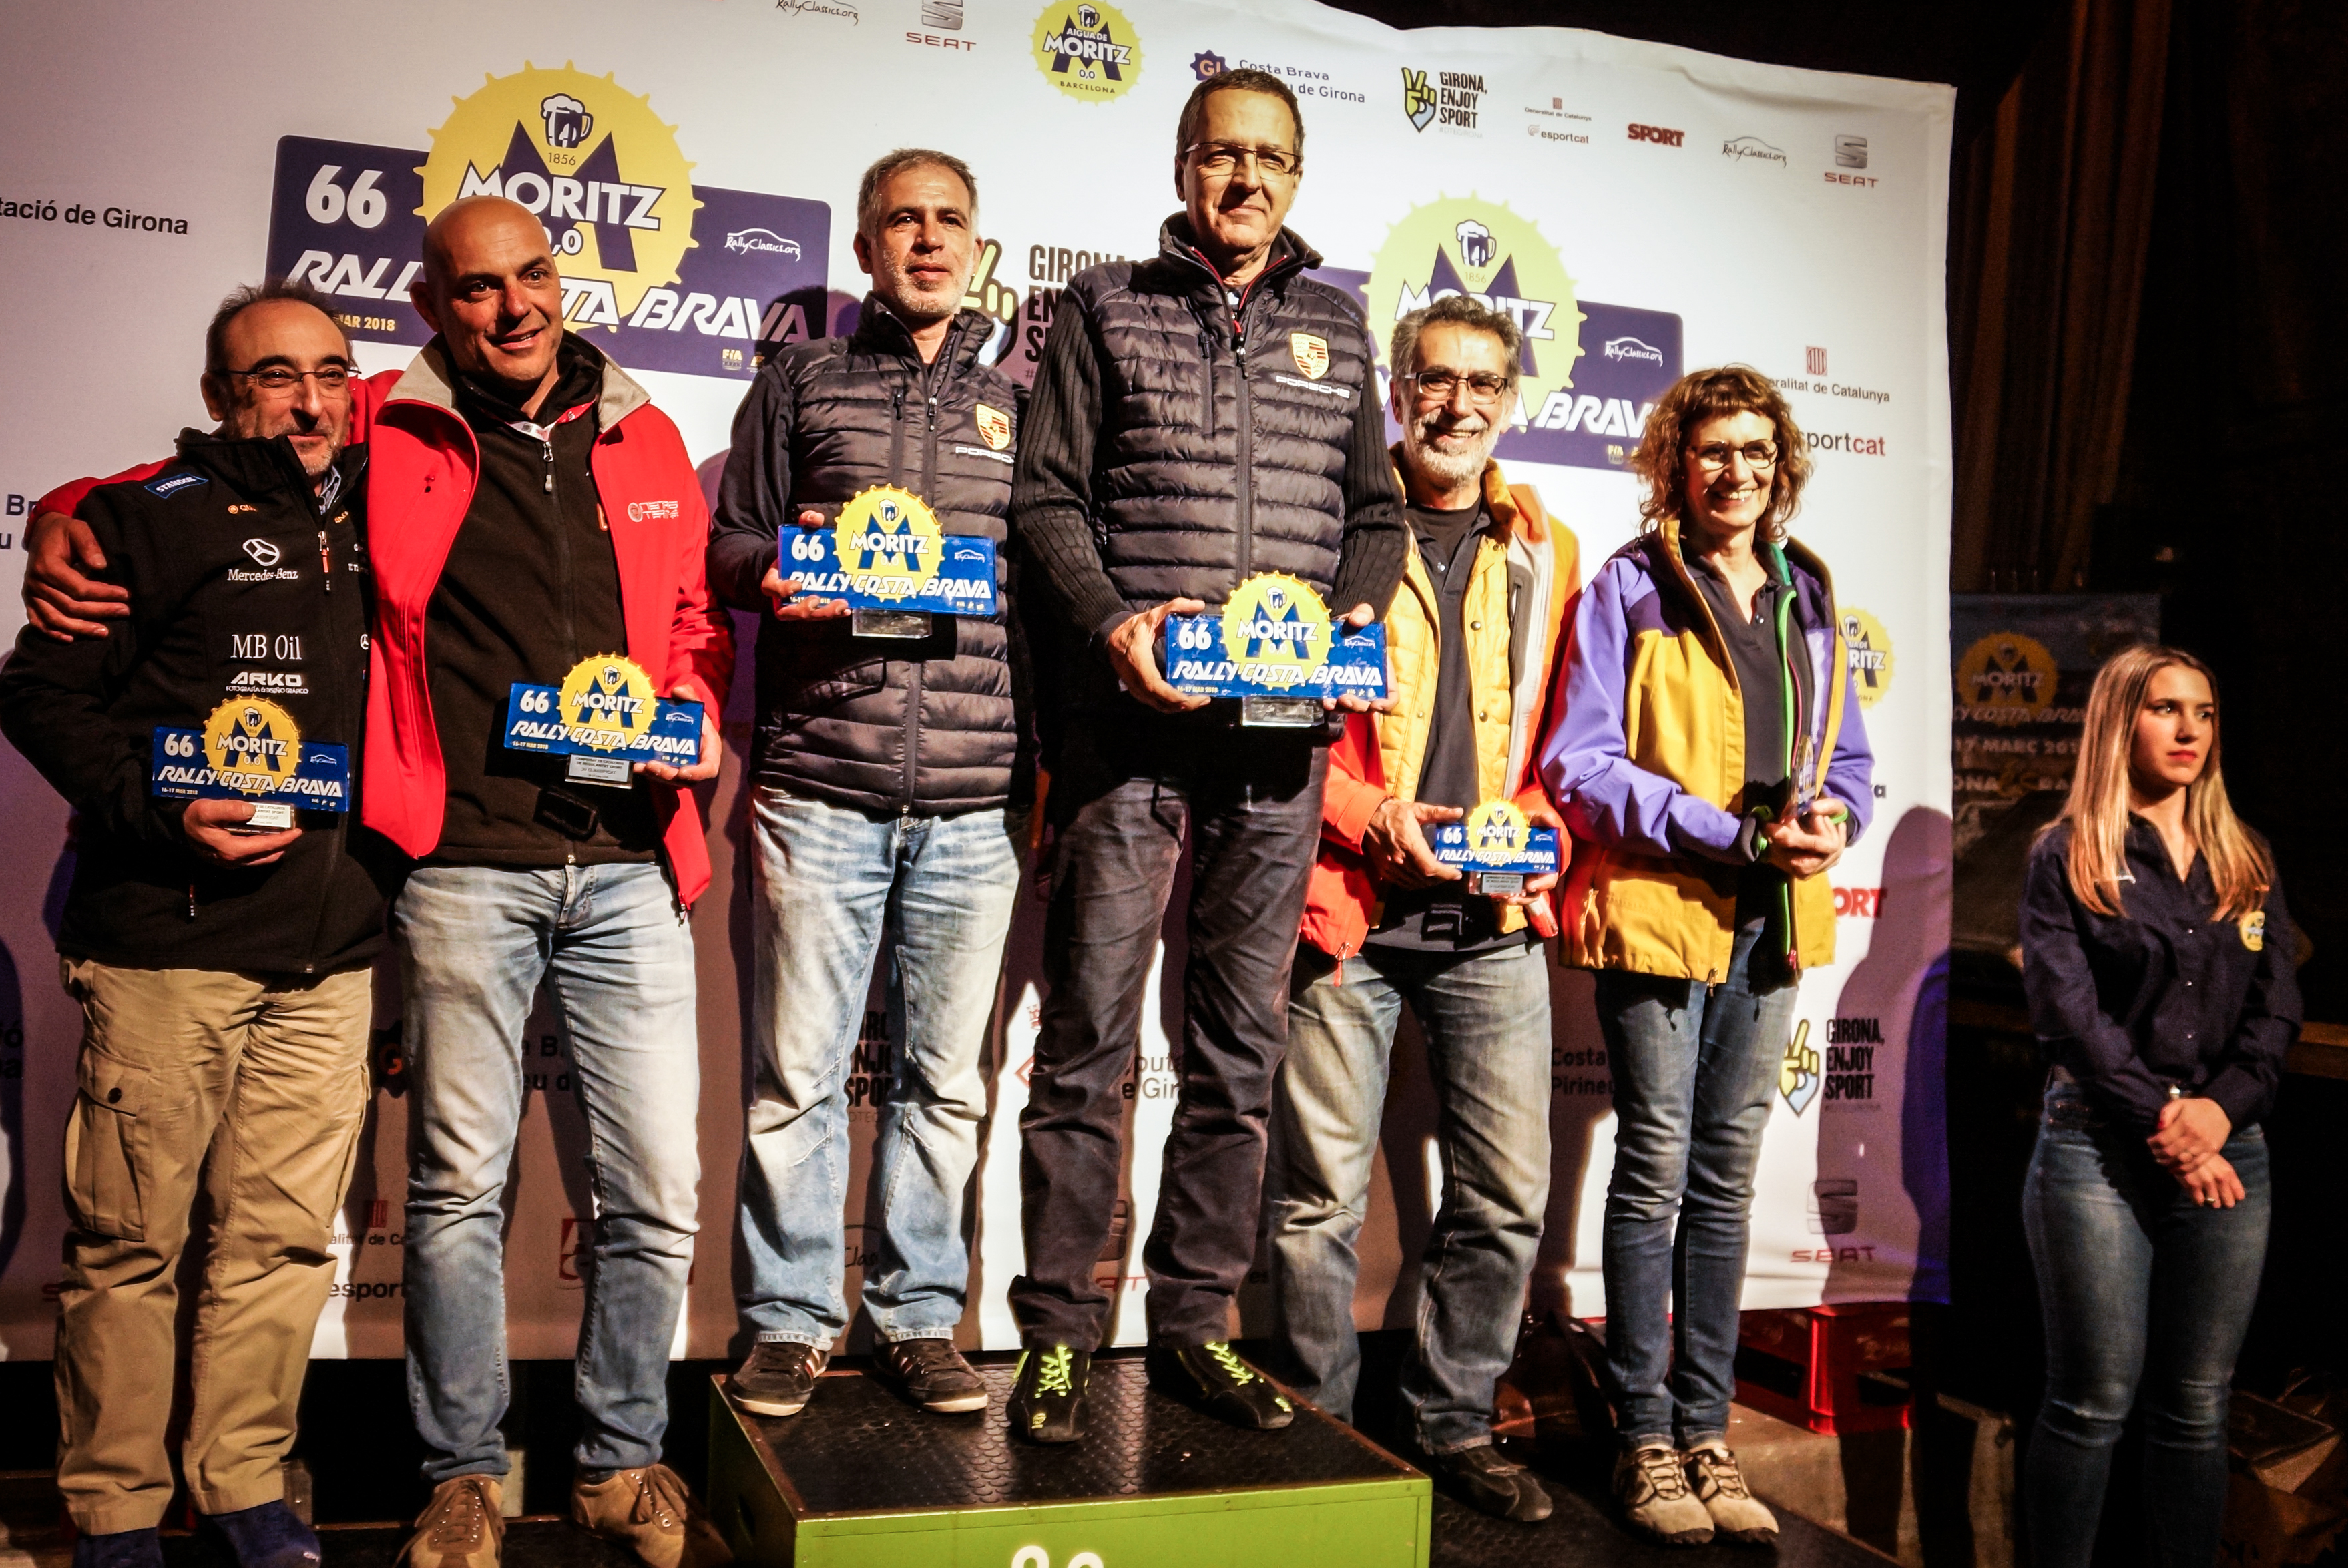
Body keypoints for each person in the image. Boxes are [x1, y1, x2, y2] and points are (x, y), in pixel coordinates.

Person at [21, 196, 735, 1568]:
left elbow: (694, 618)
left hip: (632, 858)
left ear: (562, 280)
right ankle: (461, 1475)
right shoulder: (382, 420)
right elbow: (205, 464)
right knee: (455, 1192)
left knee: (654, 1189)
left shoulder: (646, 433)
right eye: (477, 287)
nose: (514, 307)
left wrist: (695, 701)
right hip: (461, 861)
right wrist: (58, 516)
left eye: (534, 275)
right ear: (431, 307)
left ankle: (622, 1459)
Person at [1007, 65, 1407, 1443]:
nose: (1245, 180)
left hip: (1279, 749)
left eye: (1269, 160)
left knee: (1238, 1051)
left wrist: (1354, 614)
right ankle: (1056, 1334)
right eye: (1222, 155)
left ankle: (1194, 1324)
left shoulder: (1337, 326)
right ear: (1184, 167)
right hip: (1128, 733)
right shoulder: (1100, 307)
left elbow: (1375, 516)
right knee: (1086, 1043)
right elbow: (1045, 499)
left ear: (1295, 180)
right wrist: (1114, 625)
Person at [0, 281, 390, 1568]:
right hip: (165, 946)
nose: (309, 400)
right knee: (129, 1248)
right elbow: (38, 692)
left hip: (327, 957)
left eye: (329, 373)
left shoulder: (382, 510)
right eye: (275, 376)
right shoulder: (142, 519)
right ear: (222, 395)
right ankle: (116, 1508)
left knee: (280, 1244)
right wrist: (157, 812)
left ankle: (243, 1488)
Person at [705, 148, 1024, 1421]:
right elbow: (734, 541)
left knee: (945, 1081)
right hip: (820, 778)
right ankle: (790, 1320)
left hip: (976, 793)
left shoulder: (1023, 401)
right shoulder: (801, 380)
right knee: (799, 1077)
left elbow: (1046, 585)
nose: (928, 240)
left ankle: (916, 1315)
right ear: (865, 247)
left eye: (950, 220)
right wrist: (770, 574)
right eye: (904, 220)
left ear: (976, 245)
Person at [1540, 366, 1872, 1545]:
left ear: (1783, 466)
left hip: (1773, 922)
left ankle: (1705, 1431)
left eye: (1756, 451)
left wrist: (1833, 822)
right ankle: (1643, 1437)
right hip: (1660, 910)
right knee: (1655, 1173)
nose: (1737, 470)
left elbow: (1846, 760)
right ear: (1675, 464)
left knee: (1724, 1181)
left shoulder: (1807, 589)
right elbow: (1581, 765)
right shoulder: (1628, 584)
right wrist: (1726, 833)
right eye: (1713, 449)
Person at [1266, 295, 1577, 1523]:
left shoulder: (1543, 546)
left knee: (1504, 1198)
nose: (1458, 405)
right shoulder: (1331, 525)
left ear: (1510, 400)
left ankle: (1451, 1423)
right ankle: (1323, 1437)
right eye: (1435, 380)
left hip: (1491, 926)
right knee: (1315, 1206)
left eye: (1482, 383)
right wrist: (1368, 816)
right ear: (1396, 393)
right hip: (1348, 912)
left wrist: (1541, 834)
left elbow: (1561, 734)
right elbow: (1277, 713)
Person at [2018, 645, 2296, 1568]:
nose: (2189, 730)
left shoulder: (2245, 856)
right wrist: (2174, 1122)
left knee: (2196, 1407)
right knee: (2091, 1402)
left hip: (2229, 1152)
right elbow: (2069, 1017)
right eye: (2166, 709)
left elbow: (2276, 1011)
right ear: (2118, 722)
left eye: (2203, 713)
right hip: (2095, 1148)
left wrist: (2219, 1113)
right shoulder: (2066, 853)